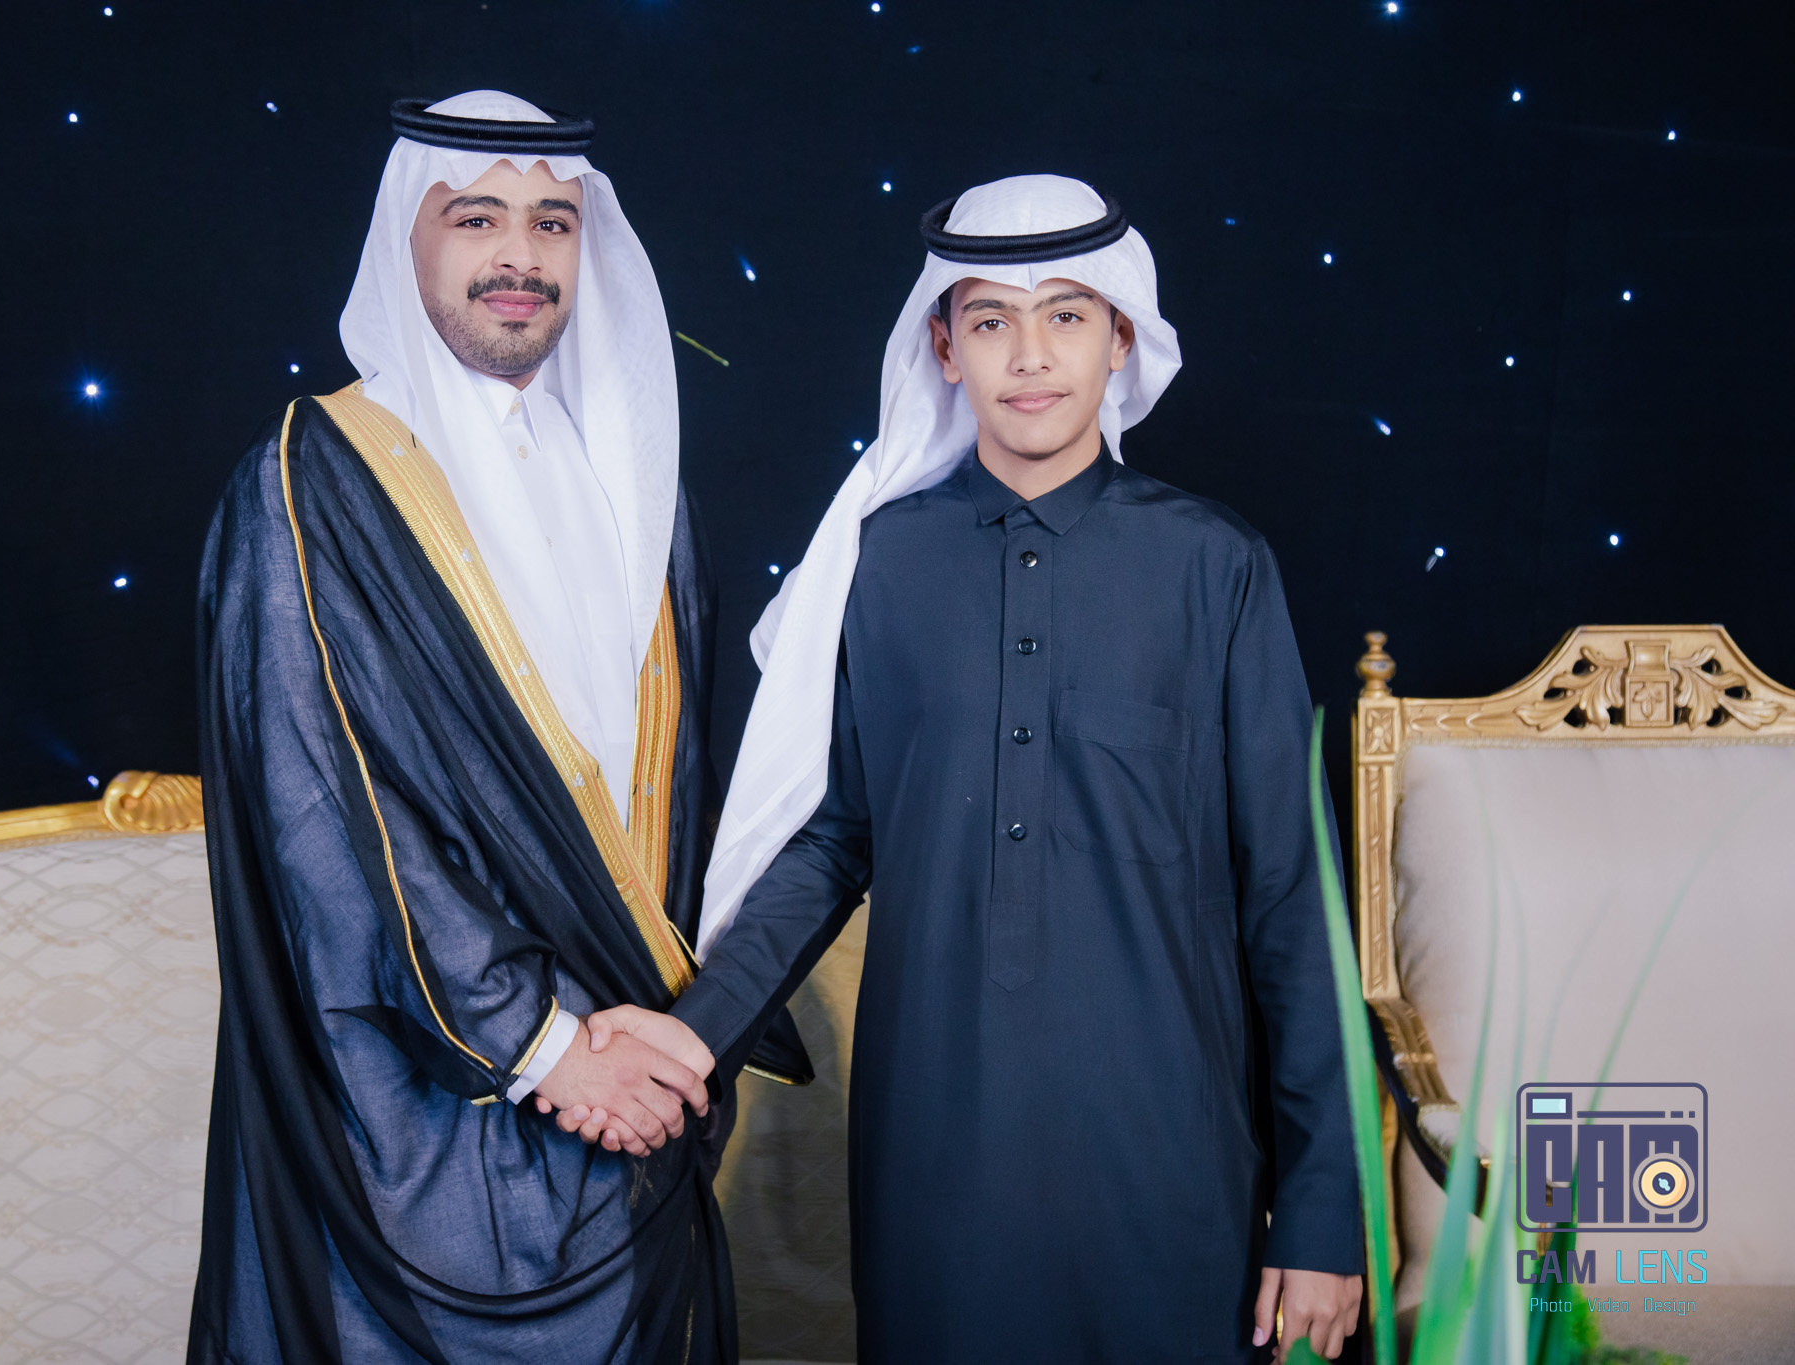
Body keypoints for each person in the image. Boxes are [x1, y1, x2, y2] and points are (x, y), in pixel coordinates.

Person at [574, 175, 1365, 1361]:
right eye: (991, 319)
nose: (1029, 354)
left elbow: (1293, 904)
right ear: (942, 348)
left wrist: (1321, 1214)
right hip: (935, 1157)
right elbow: (830, 840)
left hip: (1168, 1154)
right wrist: (694, 1034)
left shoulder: (1215, 567)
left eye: (1066, 316)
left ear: (1119, 340)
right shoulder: (877, 564)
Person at [187, 90, 806, 1365]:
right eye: (475, 219)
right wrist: (546, 1051)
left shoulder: (630, 483)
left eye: (550, 224)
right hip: (414, 1115)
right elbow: (325, 815)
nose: (518, 255)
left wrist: (660, 1051)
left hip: (633, 1106)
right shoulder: (314, 476)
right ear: (405, 242)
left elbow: (660, 813)